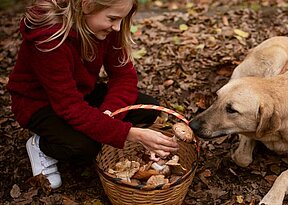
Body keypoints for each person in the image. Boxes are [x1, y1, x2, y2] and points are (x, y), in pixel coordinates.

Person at [7, 0, 179, 189]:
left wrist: (108, 115)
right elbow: (69, 106)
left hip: (80, 93)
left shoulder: (106, 27)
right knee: (85, 147)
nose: (117, 27)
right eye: (112, 18)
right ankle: (42, 147)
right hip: (39, 104)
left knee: (146, 109)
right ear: (87, 6)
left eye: (121, 19)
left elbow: (123, 77)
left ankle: (94, 130)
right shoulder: (49, 39)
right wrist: (131, 134)